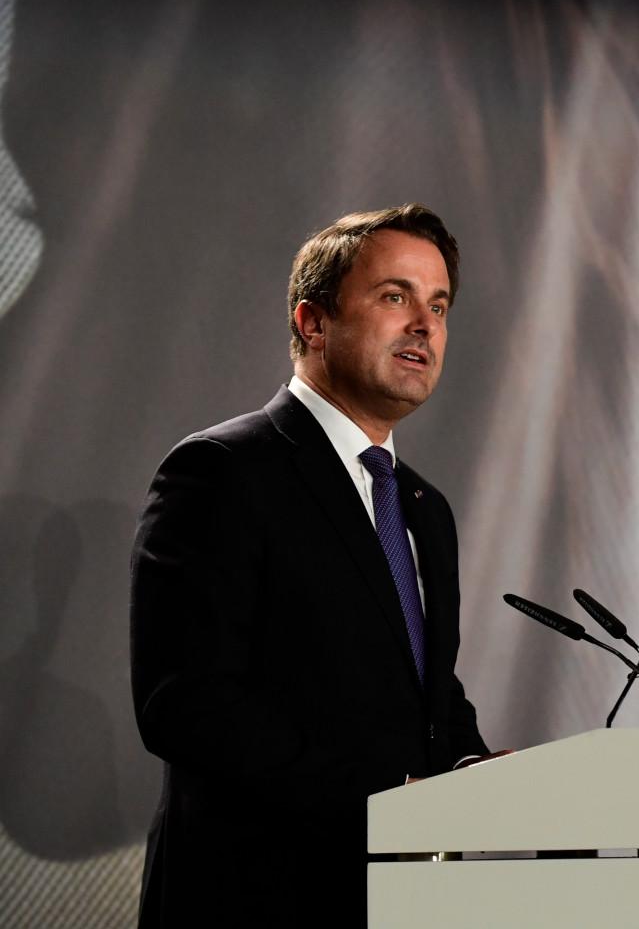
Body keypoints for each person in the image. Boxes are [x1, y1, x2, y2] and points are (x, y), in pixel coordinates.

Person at [130, 204, 491, 927]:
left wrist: (485, 778)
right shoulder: (223, 471)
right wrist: (393, 790)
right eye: (395, 296)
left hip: (403, 901)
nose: (424, 323)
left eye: (439, 304)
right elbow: (185, 704)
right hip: (256, 897)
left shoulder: (424, 507)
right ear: (312, 322)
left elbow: (427, 695)